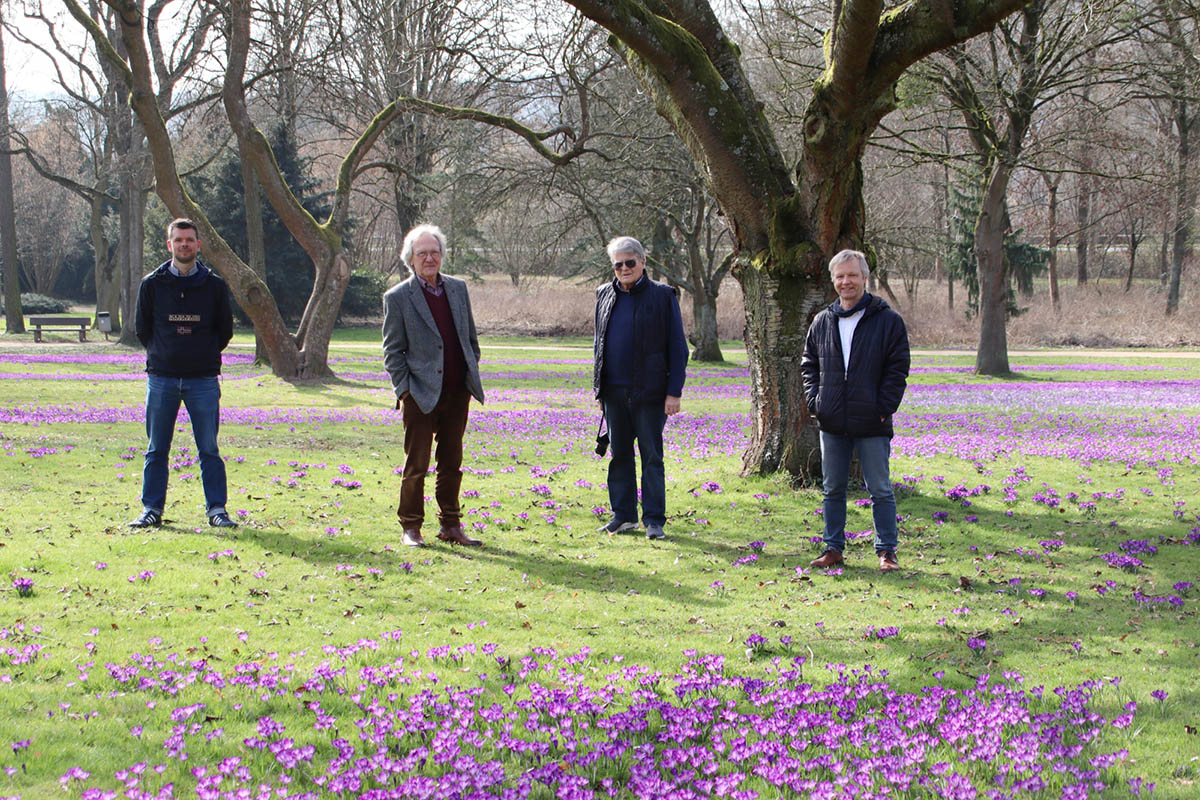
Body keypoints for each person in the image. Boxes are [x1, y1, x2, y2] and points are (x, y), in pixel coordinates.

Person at [801, 249, 910, 572]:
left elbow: (898, 367)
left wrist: (884, 407)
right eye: (840, 276)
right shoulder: (822, 321)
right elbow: (809, 365)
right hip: (832, 420)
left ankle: (886, 552)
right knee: (832, 488)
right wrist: (816, 403)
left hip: (872, 420)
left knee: (880, 489)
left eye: (852, 275)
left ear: (864, 278)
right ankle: (833, 548)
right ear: (833, 280)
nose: (846, 281)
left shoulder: (887, 320)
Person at [128, 218, 238, 529]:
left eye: (189, 240)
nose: (184, 245)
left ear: (198, 245)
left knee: (209, 449)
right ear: (169, 245)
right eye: (178, 240)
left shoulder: (214, 286)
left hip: (202, 380)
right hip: (161, 378)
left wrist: (201, 353)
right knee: (156, 449)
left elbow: (224, 330)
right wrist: (165, 354)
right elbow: (142, 329)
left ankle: (217, 510)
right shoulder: (152, 284)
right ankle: (151, 509)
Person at [382, 224, 485, 547]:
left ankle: (451, 526)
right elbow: (392, 350)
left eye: (435, 252)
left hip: (458, 391)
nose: (430, 258)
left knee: (452, 463)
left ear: (442, 255)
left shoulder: (457, 289)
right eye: (422, 253)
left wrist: (470, 371)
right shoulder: (397, 297)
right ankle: (411, 527)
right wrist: (404, 390)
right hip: (420, 394)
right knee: (417, 465)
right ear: (410, 259)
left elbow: (469, 338)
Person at [593, 235, 688, 541]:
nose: (623, 269)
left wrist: (674, 392)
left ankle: (654, 519)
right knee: (619, 456)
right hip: (614, 393)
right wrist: (599, 390)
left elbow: (678, 347)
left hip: (650, 393)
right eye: (618, 264)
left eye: (629, 262)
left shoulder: (663, 296)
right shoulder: (603, 295)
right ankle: (623, 516)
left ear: (642, 262)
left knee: (651, 457)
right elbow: (599, 344)